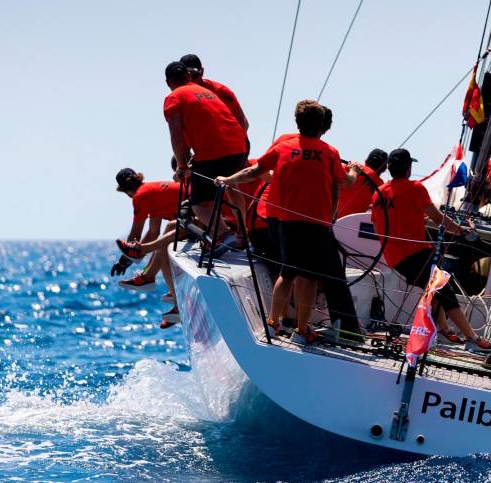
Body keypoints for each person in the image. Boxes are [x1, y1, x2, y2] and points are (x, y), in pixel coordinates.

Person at [216, 99, 357, 344]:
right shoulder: (329, 152)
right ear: (322, 124)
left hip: (287, 221)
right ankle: (302, 331)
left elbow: (253, 171)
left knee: (288, 273)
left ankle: (272, 324)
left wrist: (227, 180)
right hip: (317, 223)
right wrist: (354, 170)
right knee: (310, 277)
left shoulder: (283, 147)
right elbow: (345, 182)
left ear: (297, 122)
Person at [371, 148, 491, 351]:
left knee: (434, 290)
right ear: (409, 168)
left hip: (394, 258)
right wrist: (464, 232)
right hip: (415, 254)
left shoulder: (379, 193)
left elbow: (379, 226)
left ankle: (445, 328)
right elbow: (439, 220)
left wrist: (414, 220)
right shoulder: (415, 188)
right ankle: (472, 337)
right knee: (445, 290)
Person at [163, 61, 247, 237]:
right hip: (239, 147)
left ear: (168, 83)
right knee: (231, 186)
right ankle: (242, 234)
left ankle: (225, 236)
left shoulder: (174, 97)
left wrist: (182, 166)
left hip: (213, 153)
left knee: (200, 204)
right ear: (188, 76)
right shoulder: (207, 91)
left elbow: (176, 136)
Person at [113, 168, 182, 328]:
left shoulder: (140, 197)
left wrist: (124, 260)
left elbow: (134, 236)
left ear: (125, 191)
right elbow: (152, 232)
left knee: (165, 240)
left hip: (198, 216)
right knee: (163, 249)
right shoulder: (152, 192)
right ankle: (176, 301)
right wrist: (126, 261)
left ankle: (148, 278)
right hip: (191, 217)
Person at [180, 54, 249, 132]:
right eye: (186, 77)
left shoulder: (220, 91)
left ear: (202, 71)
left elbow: (243, 122)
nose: (191, 80)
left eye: (194, 75)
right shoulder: (180, 98)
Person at [336, 148, 388, 218]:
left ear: (366, 161)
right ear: (384, 169)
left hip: (328, 218)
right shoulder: (381, 186)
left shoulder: (349, 167)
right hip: (350, 225)